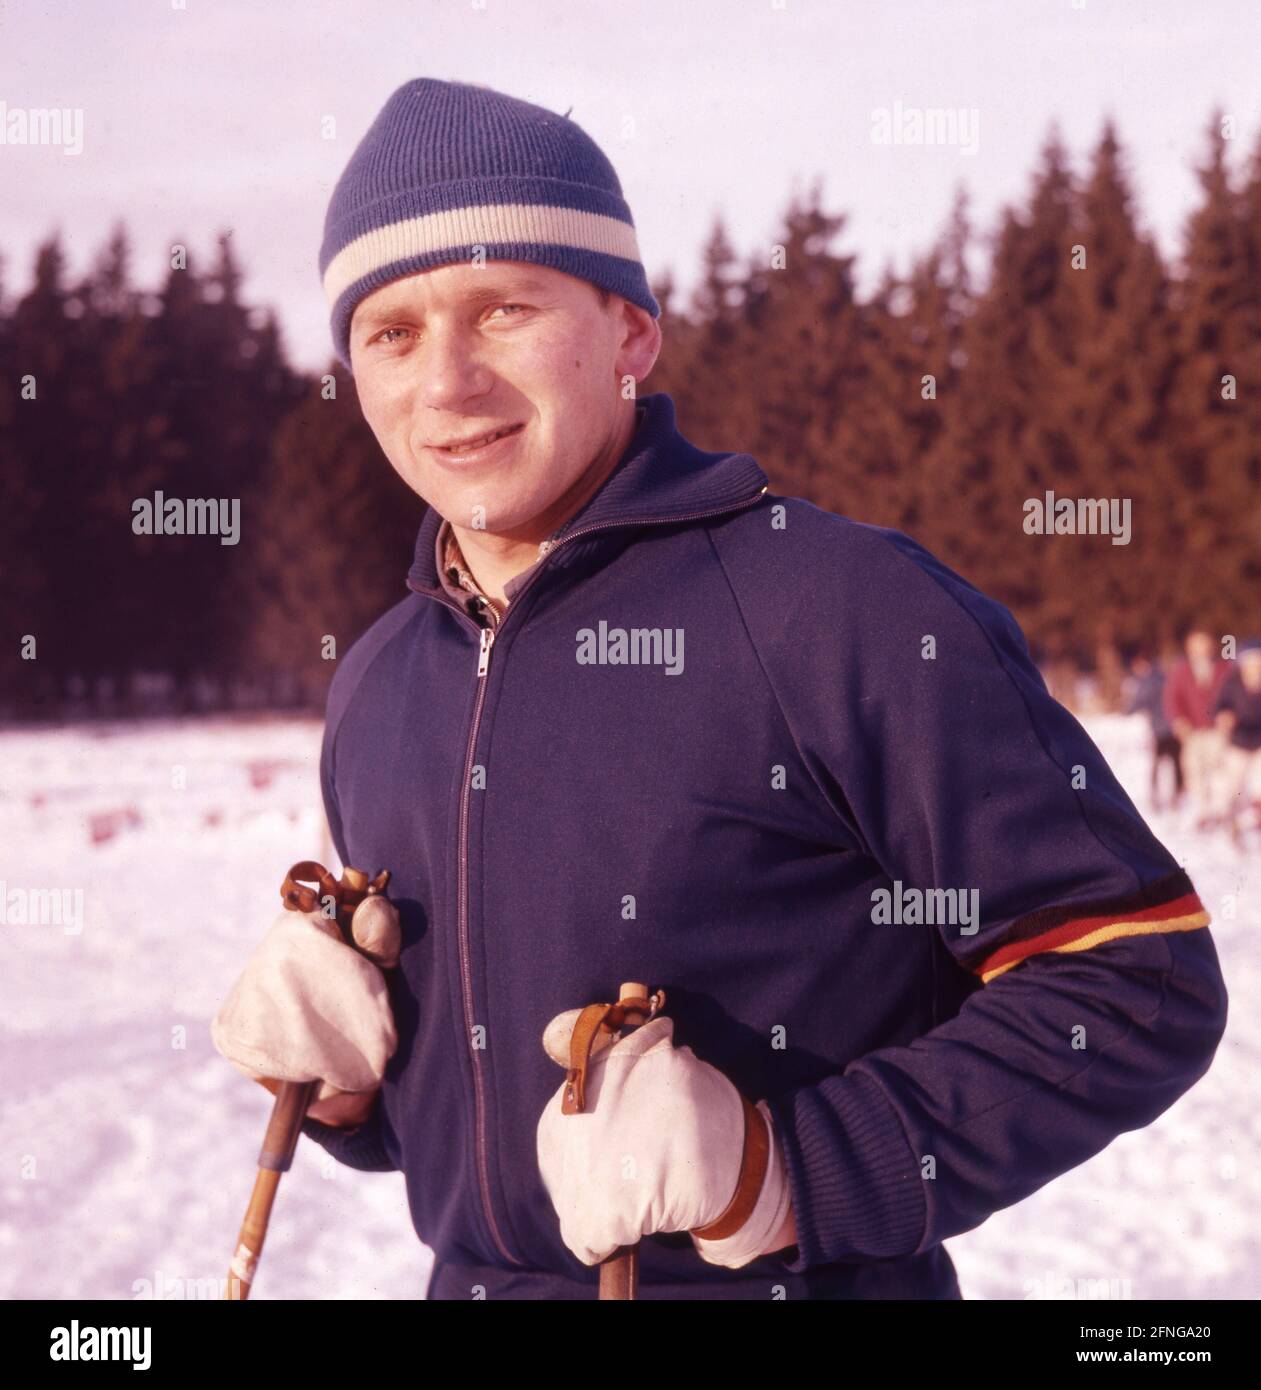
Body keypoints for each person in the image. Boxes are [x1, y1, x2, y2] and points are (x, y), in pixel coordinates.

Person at [213, 79, 1228, 1300]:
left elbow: (1132, 979)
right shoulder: (377, 683)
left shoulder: (839, 609)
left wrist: (780, 1172)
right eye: (391, 332)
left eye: (502, 310)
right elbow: (473, 1133)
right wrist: (349, 1085)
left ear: (630, 332)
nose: (447, 383)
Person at [1163, 628, 1230, 829]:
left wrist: (1228, 717)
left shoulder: (1224, 668)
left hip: (1218, 732)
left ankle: (1221, 810)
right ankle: (1202, 812)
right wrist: (1178, 721)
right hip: (1193, 733)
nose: (1200, 651)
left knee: (1220, 770)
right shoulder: (1180, 671)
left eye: (1203, 645)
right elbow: (1171, 699)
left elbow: (1231, 696)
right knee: (1194, 772)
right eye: (1195, 646)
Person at [1211, 643, 1261, 842]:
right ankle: (1228, 820)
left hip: (1260, 743)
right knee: (1232, 787)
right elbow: (1219, 706)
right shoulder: (1232, 683)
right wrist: (1224, 716)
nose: (1255, 669)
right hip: (1238, 743)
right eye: (1251, 665)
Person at [1123, 653, 1183, 810]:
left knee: (1157, 764)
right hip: (1173, 726)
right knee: (1175, 762)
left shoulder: (1149, 681)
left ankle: (1155, 795)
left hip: (1160, 729)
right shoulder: (1163, 675)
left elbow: (1141, 700)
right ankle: (1177, 793)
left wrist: (1127, 710)